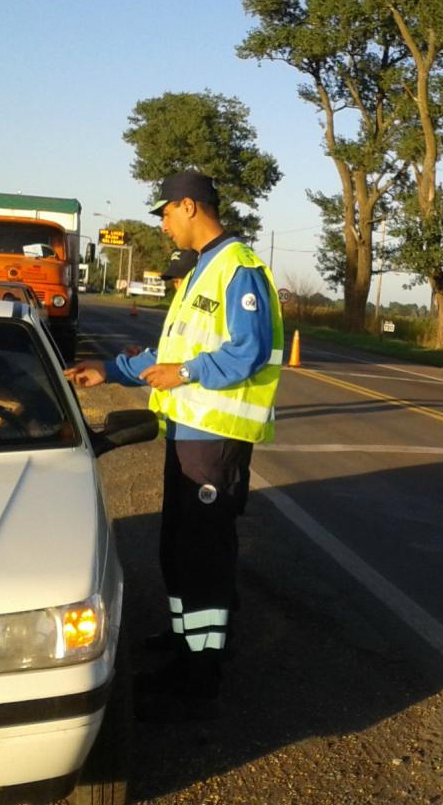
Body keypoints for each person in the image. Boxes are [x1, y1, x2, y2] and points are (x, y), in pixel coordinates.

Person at [63, 170, 283, 713]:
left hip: (216, 437)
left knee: (204, 554)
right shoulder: (200, 272)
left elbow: (246, 351)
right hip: (187, 434)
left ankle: (201, 671)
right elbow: (168, 356)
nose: (162, 223)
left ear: (189, 207)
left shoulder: (239, 269)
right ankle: (189, 642)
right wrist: (110, 370)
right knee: (180, 548)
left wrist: (185, 373)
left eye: (165, 212)